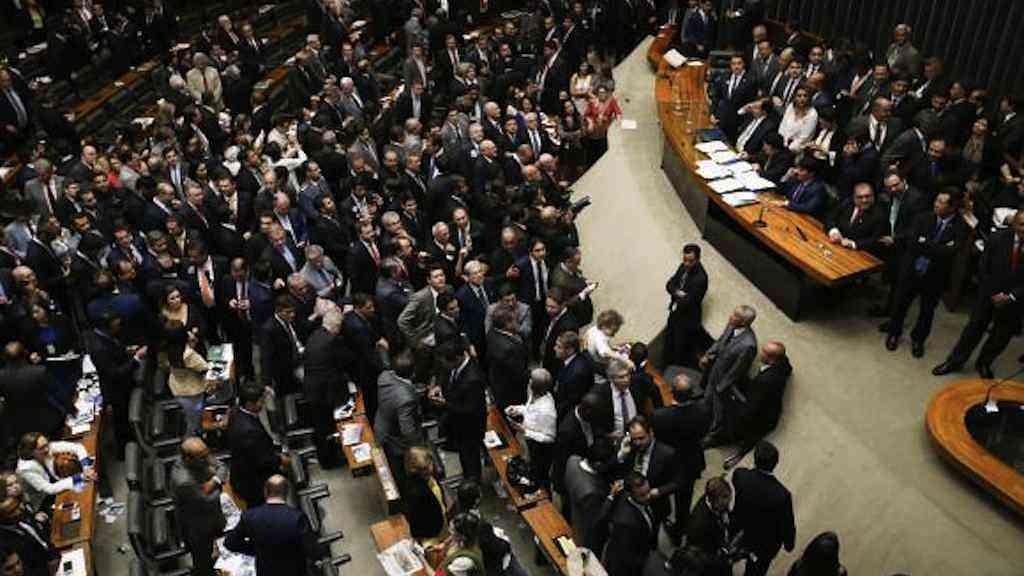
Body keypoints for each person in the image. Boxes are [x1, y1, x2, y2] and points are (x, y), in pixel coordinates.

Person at [934, 210, 1024, 379]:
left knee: (1000, 336)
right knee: (973, 330)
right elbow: (983, 268)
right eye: (1022, 224)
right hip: (988, 295)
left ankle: (984, 363)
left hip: (1014, 301)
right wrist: (994, 293)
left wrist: (1011, 296)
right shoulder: (997, 239)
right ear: (1013, 224)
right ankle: (955, 361)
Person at [886, 189, 968, 357]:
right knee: (900, 303)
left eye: (941, 202)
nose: (935, 204)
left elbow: (951, 252)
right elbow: (913, 243)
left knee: (927, 311)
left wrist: (926, 242)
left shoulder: (961, 226)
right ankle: (894, 333)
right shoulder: (923, 218)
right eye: (936, 200)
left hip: (935, 276)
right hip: (912, 269)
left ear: (952, 207)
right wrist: (938, 247)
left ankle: (918, 339)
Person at [649, 373, 709, 541]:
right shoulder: (703, 410)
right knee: (684, 500)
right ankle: (679, 531)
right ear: (692, 393)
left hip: (667, 463)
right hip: (690, 462)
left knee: (661, 493)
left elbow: (658, 438)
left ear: (671, 391)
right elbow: (704, 433)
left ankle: (661, 520)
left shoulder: (659, 416)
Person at [224, 475, 320, 575]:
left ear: (265, 492)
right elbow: (313, 551)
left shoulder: (250, 516)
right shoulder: (297, 518)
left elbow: (230, 542)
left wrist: (255, 550)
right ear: (286, 493)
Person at [731, 442, 796, 576]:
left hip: (742, 530)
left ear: (755, 459)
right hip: (764, 545)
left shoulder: (740, 475)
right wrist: (789, 544)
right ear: (776, 463)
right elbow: (787, 524)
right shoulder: (782, 495)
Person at [725, 342, 792, 468]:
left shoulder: (765, 381)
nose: (761, 354)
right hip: (768, 407)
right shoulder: (782, 365)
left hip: (761, 419)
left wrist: (734, 400)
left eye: (764, 352)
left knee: (744, 428)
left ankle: (739, 453)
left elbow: (750, 409)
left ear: (772, 359)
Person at [615, 416, 680, 543]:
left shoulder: (667, 454)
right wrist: (621, 455)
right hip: (630, 502)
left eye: (641, 438)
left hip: (654, 505)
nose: (637, 443)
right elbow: (617, 469)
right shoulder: (629, 447)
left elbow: (678, 481)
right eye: (634, 439)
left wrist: (659, 491)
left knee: (650, 535)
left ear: (651, 433)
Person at [701, 305, 758, 447]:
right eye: (733, 313)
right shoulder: (732, 325)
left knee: (718, 412)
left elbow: (738, 370)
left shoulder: (749, 345)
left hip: (724, 384)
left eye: (735, 316)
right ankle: (701, 423)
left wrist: (722, 387)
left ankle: (712, 436)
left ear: (744, 322)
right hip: (714, 372)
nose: (730, 316)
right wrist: (708, 354)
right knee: (707, 400)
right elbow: (721, 341)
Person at [169, 438, 227, 576]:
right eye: (202, 457)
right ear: (188, 459)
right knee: (203, 562)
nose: (207, 459)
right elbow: (209, 500)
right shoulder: (184, 481)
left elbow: (222, 466)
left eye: (207, 454)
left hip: (211, 516)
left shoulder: (200, 456)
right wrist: (219, 485)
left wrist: (213, 481)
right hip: (197, 526)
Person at [226, 383, 289, 507]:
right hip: (253, 482)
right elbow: (263, 459)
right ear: (249, 404)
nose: (263, 404)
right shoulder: (249, 431)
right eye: (261, 401)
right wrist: (281, 460)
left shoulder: (236, 412)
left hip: (243, 468)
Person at [302, 308, 350, 469]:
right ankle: (329, 461)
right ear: (337, 326)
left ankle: (326, 457)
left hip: (311, 387)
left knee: (319, 426)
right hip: (324, 392)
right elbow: (343, 361)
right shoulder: (332, 341)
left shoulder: (316, 334)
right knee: (325, 428)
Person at [439, 341, 488, 481]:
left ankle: (473, 483)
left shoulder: (472, 379)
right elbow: (449, 378)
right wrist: (440, 388)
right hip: (458, 422)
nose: (444, 366)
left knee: (470, 457)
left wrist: (445, 404)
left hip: (470, 427)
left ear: (457, 358)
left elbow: (469, 409)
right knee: (463, 453)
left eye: (446, 363)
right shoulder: (457, 366)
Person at [375, 349, 423, 487]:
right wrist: (418, 447)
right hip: (395, 441)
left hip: (381, 425)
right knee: (402, 473)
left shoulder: (384, 377)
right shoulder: (406, 399)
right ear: (413, 373)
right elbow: (407, 430)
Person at [0, 343, 65, 446]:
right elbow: (59, 395)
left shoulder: (1, 377)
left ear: (4, 358)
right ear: (25, 354)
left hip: (18, 429)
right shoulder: (39, 371)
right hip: (47, 425)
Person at [15, 432, 93, 514]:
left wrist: (86, 467)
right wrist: (79, 477)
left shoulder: (46, 447)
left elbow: (77, 447)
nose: (47, 449)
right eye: (41, 448)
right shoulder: (25, 469)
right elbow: (49, 489)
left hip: (57, 483)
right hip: (43, 500)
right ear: (31, 451)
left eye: (47, 444)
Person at [158, 320, 213, 436]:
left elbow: (164, 367)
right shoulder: (188, 355)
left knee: (189, 416)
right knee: (196, 419)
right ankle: (196, 438)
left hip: (177, 386)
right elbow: (204, 368)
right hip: (193, 390)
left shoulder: (163, 350)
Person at [506, 368, 558, 490]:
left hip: (538, 449)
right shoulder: (534, 393)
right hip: (527, 440)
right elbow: (529, 409)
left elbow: (550, 438)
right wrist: (518, 409)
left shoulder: (547, 412)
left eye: (530, 380)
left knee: (536, 475)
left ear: (533, 385)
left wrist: (525, 431)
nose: (528, 382)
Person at [600, 472, 656, 576]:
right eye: (643, 495)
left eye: (648, 491)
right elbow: (625, 557)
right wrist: (640, 563)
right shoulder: (625, 524)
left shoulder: (635, 498)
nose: (648, 496)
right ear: (631, 494)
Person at [663, 243, 709, 368]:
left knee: (679, 349)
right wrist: (679, 293)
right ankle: (665, 366)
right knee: (668, 341)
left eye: (690, 261)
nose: (687, 264)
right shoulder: (683, 267)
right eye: (685, 260)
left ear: (698, 259)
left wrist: (676, 291)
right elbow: (669, 284)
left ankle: (674, 370)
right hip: (675, 311)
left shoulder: (701, 278)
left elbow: (688, 301)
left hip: (687, 319)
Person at [563, 439, 614, 551]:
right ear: (598, 464)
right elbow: (597, 517)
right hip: (586, 531)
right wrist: (611, 496)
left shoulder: (573, 460)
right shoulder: (590, 492)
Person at [686, 477, 733, 575]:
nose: (727, 505)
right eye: (723, 504)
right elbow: (700, 556)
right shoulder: (698, 525)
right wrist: (723, 560)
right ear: (713, 500)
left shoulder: (714, 500)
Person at [403, 446, 447, 544]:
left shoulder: (426, 479)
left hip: (439, 521)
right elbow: (416, 518)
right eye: (431, 463)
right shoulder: (418, 492)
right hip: (431, 533)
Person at [584, 309, 631, 383]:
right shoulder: (600, 339)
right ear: (604, 326)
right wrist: (626, 360)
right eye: (613, 331)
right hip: (598, 366)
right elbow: (605, 352)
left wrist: (611, 347)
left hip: (591, 358)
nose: (614, 334)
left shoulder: (594, 329)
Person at [583, 85, 622, 160]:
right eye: (600, 92)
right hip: (593, 131)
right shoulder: (593, 102)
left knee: (602, 154)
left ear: (606, 93)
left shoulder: (611, 102)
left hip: (603, 131)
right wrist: (590, 122)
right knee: (591, 154)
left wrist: (618, 121)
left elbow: (618, 112)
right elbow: (586, 115)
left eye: (603, 92)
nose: (601, 94)